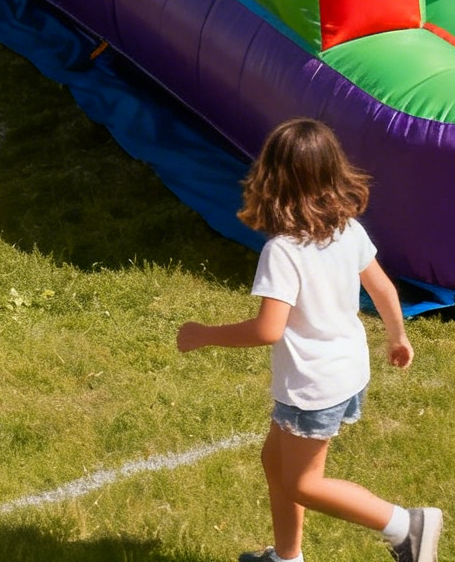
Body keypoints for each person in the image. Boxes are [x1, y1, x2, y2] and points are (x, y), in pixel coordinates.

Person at [178, 119, 441, 562]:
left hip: (313, 386)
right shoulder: (347, 230)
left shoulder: (281, 252)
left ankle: (406, 526)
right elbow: (383, 289)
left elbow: (268, 329)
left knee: (304, 482)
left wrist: (205, 335)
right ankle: (288, 558)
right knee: (274, 461)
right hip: (344, 371)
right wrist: (397, 336)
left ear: (271, 179)